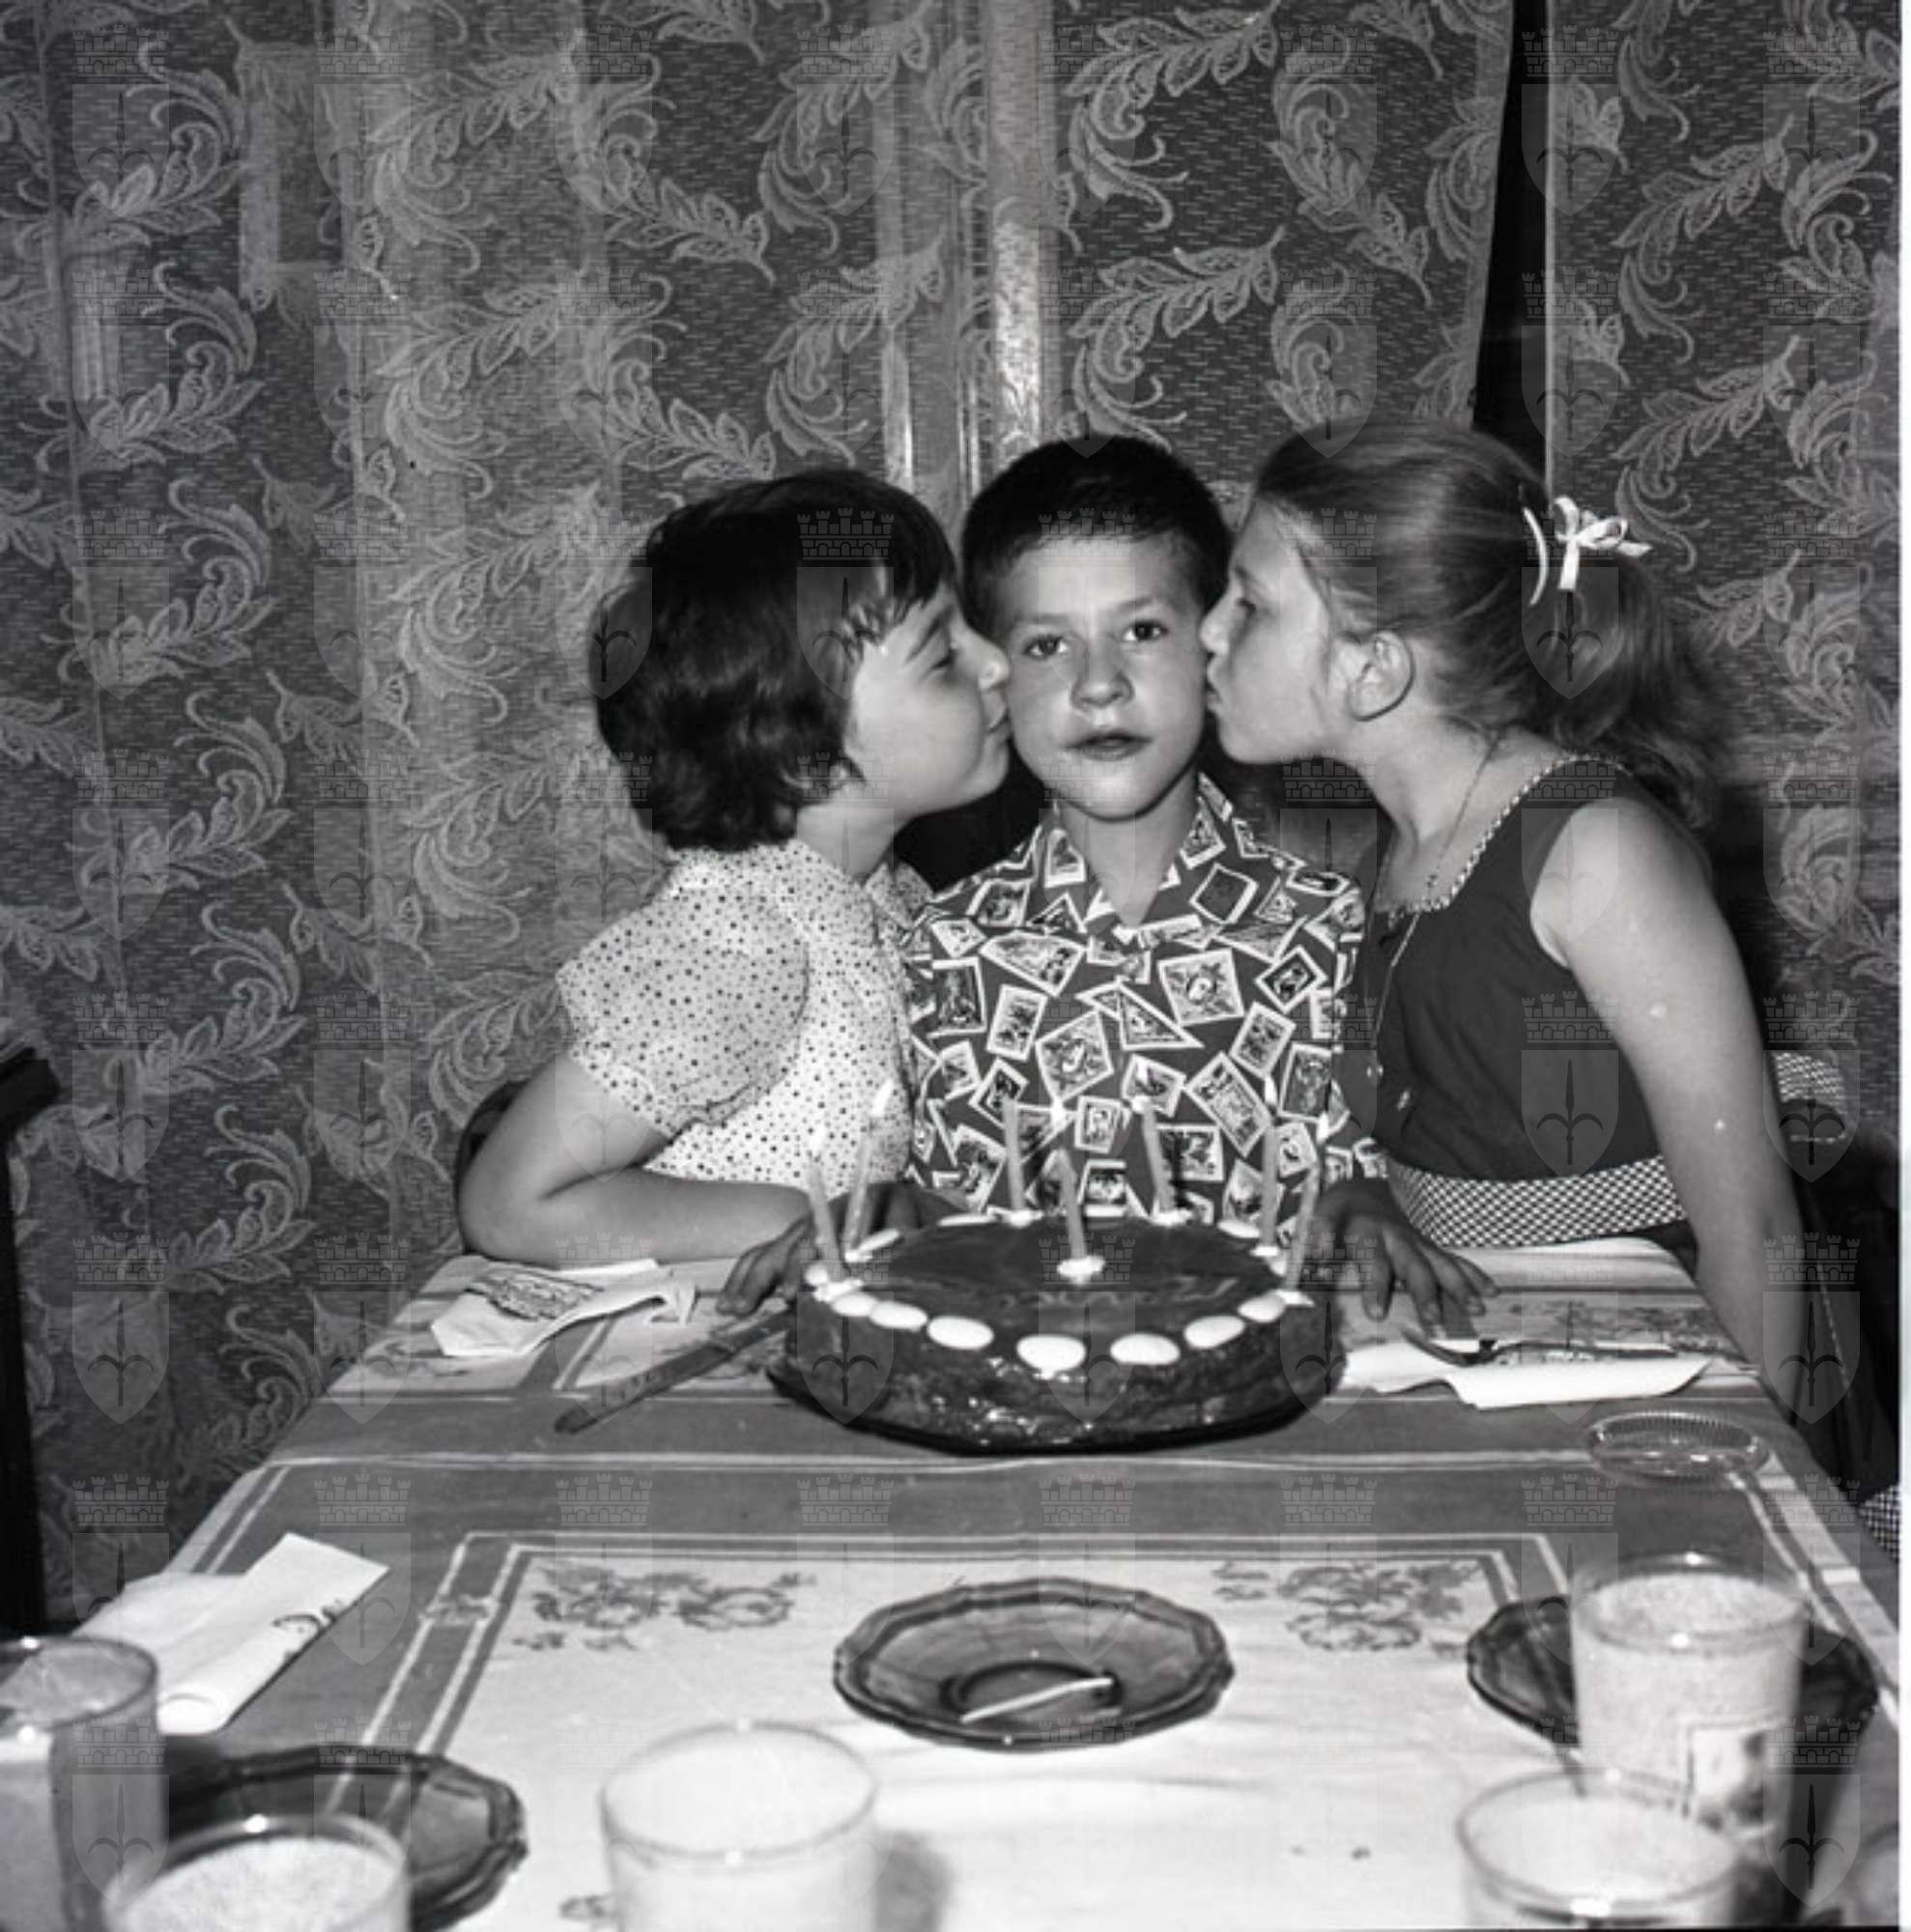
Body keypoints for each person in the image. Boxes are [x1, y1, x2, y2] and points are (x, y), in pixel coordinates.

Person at [724, 438, 1489, 1330]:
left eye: (1142, 632)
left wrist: (1366, 1203)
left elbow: (1366, 1172)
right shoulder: (937, 950)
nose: (1098, 685)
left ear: (1216, 642)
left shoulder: (1336, 932)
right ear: (995, 676)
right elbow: (954, 1213)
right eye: (1048, 644)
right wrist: (892, 1210)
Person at [1200, 420, 1802, 1385]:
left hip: (1671, 1383)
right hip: (1515, 1370)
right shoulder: (1401, 853)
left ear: (1373, 668)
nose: (1209, 631)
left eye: (1251, 604)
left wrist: (1734, 1451)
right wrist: (1369, 1199)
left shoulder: (1594, 852)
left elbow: (1756, 1226)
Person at [458, 470, 1011, 1268]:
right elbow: (508, 1204)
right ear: (802, 753)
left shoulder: (877, 902)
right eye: (943, 655)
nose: (995, 663)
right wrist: (802, 1220)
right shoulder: (741, 948)